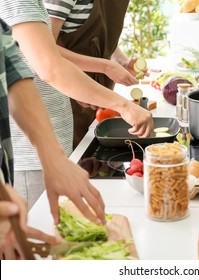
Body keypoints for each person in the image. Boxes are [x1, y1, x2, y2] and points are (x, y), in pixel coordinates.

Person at [0, 0, 153, 210]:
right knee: (41, 233)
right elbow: (49, 67)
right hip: (30, 156)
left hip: (48, 149)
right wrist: (123, 106)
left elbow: (25, 68)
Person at [44, 0, 145, 149]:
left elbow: (100, 32)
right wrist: (105, 66)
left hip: (97, 102)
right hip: (66, 103)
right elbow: (44, 49)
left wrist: (122, 61)